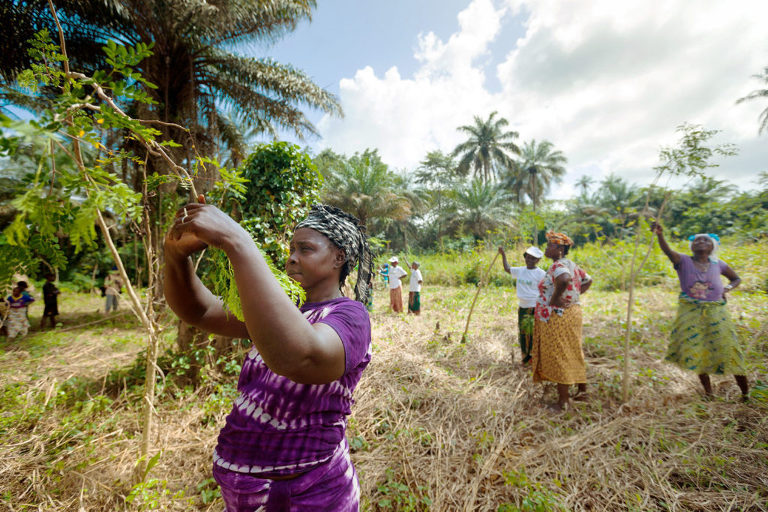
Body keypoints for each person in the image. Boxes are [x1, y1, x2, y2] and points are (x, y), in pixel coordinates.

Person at [164, 197, 373, 511]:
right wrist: (175, 253)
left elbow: (302, 357)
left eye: (306, 249)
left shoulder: (350, 316)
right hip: (248, 491)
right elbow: (200, 309)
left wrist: (238, 242)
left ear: (338, 258)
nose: (291, 258)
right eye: (291, 249)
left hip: (309, 493)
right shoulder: (280, 311)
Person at [651, 223, 748, 400]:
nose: (701, 242)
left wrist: (726, 289)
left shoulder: (719, 264)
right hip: (692, 313)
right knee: (699, 351)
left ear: (712, 247)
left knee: (730, 350)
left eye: (705, 240)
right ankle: (708, 393)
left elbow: (736, 279)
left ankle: (745, 393)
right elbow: (667, 251)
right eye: (696, 240)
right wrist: (660, 235)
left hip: (716, 313)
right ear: (692, 247)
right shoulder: (683, 261)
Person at [531, 232, 593, 412]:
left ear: (559, 249)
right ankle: (582, 391)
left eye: (550, 245)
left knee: (560, 353)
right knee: (573, 350)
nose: (546, 248)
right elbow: (588, 280)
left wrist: (555, 300)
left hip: (559, 316)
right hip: (572, 312)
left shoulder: (558, 265)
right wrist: (574, 295)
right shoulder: (571, 265)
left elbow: (564, 280)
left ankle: (564, 401)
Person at [498, 246, 546, 364]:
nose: (530, 260)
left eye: (533, 258)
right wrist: (503, 255)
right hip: (522, 306)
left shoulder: (541, 274)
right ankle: (526, 357)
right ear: (525, 257)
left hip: (534, 307)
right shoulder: (520, 271)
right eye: (528, 257)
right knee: (523, 332)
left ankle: (533, 358)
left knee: (532, 332)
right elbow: (507, 268)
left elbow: (546, 289)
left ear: (538, 260)